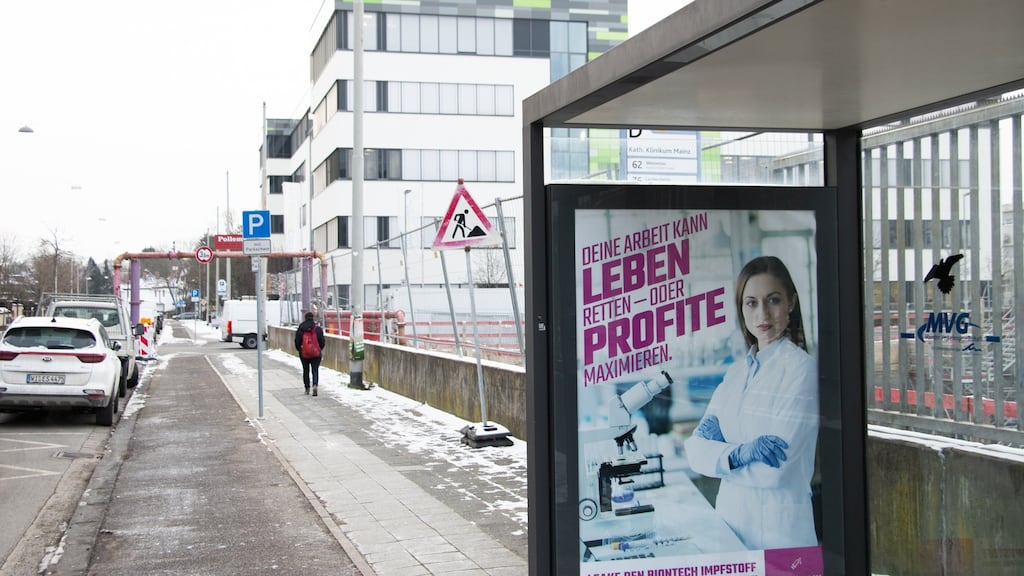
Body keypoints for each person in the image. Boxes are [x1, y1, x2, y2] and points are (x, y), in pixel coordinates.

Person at [683, 255, 819, 551]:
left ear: (791, 303)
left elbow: (774, 471)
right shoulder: (735, 374)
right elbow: (694, 451)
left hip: (780, 537)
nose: (763, 315)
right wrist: (742, 454)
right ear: (741, 309)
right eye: (751, 303)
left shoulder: (803, 371)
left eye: (773, 300)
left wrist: (721, 454)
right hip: (731, 529)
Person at [294, 311, 326, 396]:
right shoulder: (317, 329)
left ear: (305, 318)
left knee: (306, 370)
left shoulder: (301, 328)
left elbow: (297, 341)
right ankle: (315, 385)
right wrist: (319, 349)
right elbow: (322, 341)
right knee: (315, 370)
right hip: (316, 353)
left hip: (304, 353)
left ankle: (307, 388)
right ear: (313, 318)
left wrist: (300, 350)